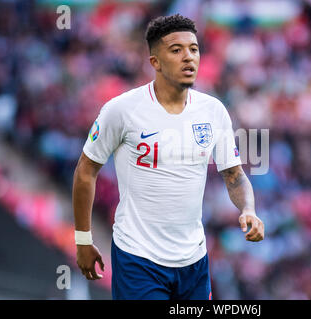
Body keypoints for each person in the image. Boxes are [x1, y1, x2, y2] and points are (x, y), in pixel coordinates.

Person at [72, 14, 264, 300]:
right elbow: (86, 171)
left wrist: (248, 208)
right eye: (176, 50)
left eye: (194, 49)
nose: (189, 57)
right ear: (155, 62)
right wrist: (83, 240)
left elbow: (234, 174)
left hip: (194, 261)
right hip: (138, 259)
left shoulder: (213, 111)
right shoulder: (122, 110)